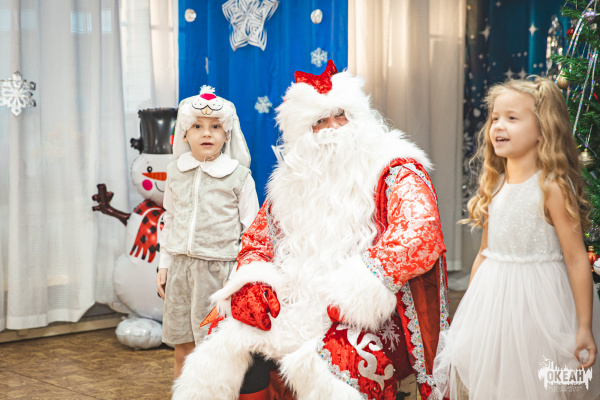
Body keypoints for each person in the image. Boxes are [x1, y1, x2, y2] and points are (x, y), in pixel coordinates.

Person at [172, 60, 448, 400]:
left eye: (340, 115)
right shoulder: (291, 181)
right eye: (319, 121)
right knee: (228, 337)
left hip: (366, 313)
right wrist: (255, 281)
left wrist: (357, 290)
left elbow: (420, 234)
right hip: (295, 300)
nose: (332, 128)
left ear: (359, 118)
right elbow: (257, 240)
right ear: (303, 134)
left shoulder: (395, 168)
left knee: (339, 359)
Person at [432, 77, 600, 399]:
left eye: (512, 118)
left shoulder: (551, 187)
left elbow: (577, 258)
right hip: (494, 303)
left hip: (540, 307)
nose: (498, 125)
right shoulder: (494, 185)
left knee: (534, 383)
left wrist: (583, 327)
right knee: (499, 381)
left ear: (542, 130)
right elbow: (485, 253)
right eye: (495, 117)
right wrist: (469, 313)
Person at [155, 86, 259, 380]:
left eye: (215, 127)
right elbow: (170, 218)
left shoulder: (239, 176)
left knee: (213, 349)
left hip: (218, 274)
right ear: (184, 134)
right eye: (197, 126)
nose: (207, 133)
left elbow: (252, 231)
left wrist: (238, 278)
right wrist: (164, 265)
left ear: (227, 134)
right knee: (182, 347)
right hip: (180, 271)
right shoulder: (175, 171)